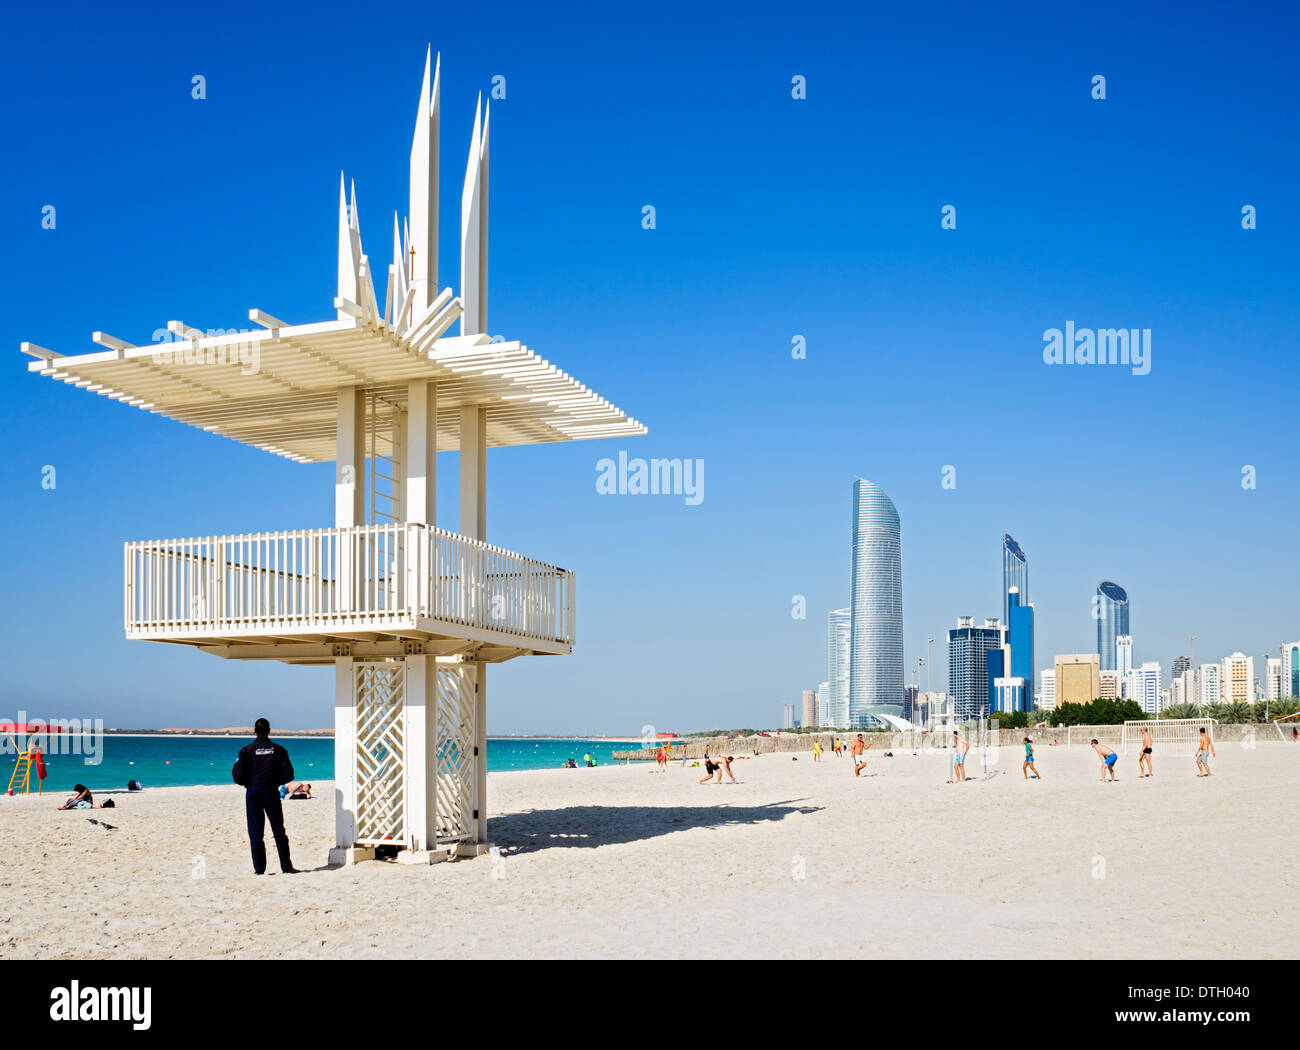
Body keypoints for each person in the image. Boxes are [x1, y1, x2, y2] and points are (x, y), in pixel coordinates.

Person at [232, 718, 298, 875]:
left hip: (253, 792)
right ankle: (286, 867)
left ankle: (259, 869)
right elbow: (289, 774)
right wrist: (274, 781)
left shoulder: (246, 751)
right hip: (270, 791)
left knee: (255, 832)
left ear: (255, 731)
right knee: (278, 830)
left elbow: (238, 776)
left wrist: (250, 781)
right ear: (269, 730)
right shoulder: (279, 750)